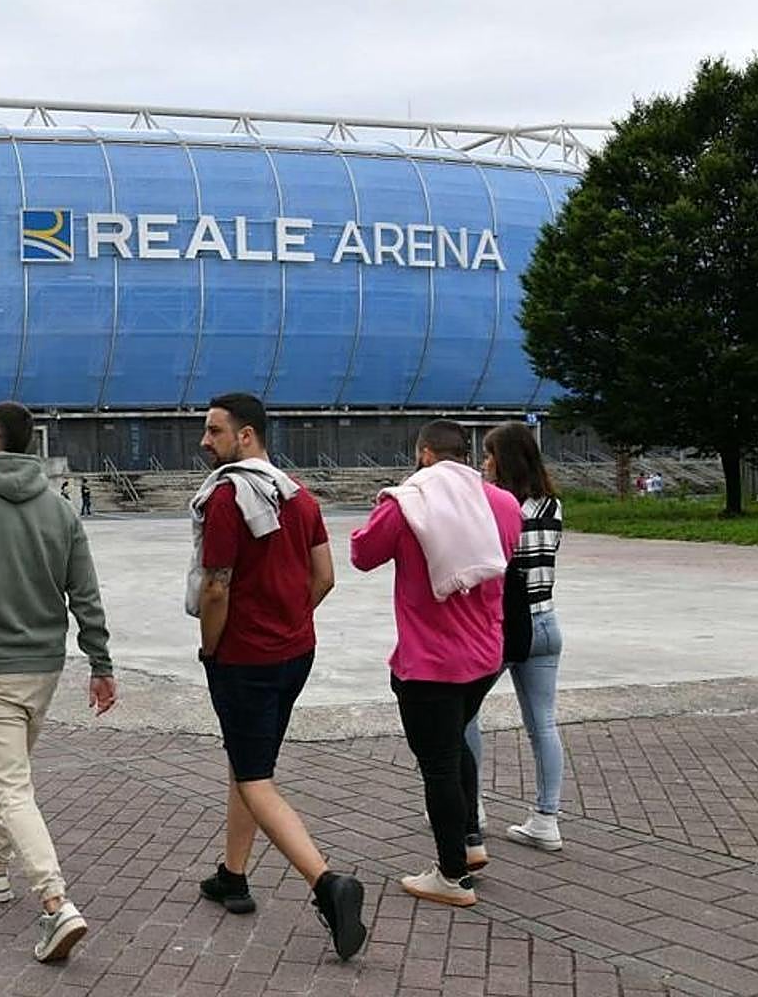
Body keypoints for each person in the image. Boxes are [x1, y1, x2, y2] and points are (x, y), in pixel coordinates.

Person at [0, 401, 114, 964]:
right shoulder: (60, 510)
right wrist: (100, 664)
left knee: (11, 786)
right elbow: (83, 592)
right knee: (11, 776)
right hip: (44, 667)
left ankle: (55, 902)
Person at [188, 393, 367, 959]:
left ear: (246, 437)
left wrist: (211, 647)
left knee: (255, 776)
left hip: (244, 658)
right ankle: (233, 875)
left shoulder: (227, 498)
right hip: (296, 653)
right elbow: (325, 576)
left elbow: (216, 586)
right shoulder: (298, 494)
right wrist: (291, 620)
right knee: (250, 762)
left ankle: (327, 884)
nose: (204, 442)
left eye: (214, 432)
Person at [350, 419, 520, 907]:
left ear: (424, 454)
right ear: (464, 455)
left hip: (429, 662)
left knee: (439, 765)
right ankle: (470, 844)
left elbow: (363, 554)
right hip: (485, 655)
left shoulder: (408, 504)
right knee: (455, 744)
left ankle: (450, 877)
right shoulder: (503, 503)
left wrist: (394, 499)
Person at [465, 423, 568, 852]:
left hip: (506, 625)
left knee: (464, 714)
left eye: (489, 455)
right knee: (542, 723)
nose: (484, 462)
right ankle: (546, 818)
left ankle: (471, 808)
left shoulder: (500, 507)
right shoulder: (552, 505)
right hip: (547, 621)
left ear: (504, 459)